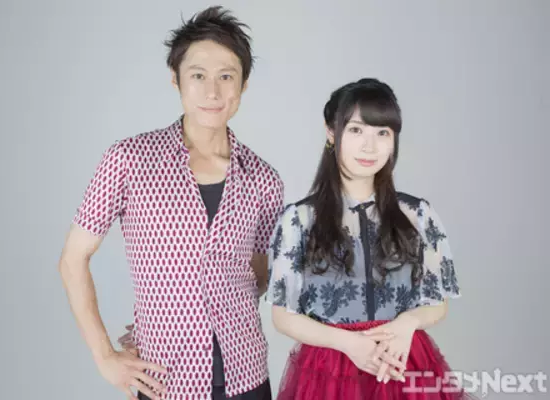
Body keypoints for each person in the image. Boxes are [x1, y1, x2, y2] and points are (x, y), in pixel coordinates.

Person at [58, 6, 283, 400]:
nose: (212, 92)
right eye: (198, 75)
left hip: (247, 375)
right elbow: (72, 260)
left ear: (243, 84)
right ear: (175, 78)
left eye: (226, 76)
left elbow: (257, 276)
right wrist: (105, 355)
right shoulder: (128, 159)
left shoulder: (264, 179)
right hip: (166, 379)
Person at [264, 78, 472, 399]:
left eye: (382, 133)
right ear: (331, 133)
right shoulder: (299, 219)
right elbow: (283, 316)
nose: (370, 147)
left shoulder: (418, 215)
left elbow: (437, 302)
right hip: (330, 369)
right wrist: (349, 344)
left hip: (401, 359)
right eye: (356, 130)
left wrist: (406, 323)